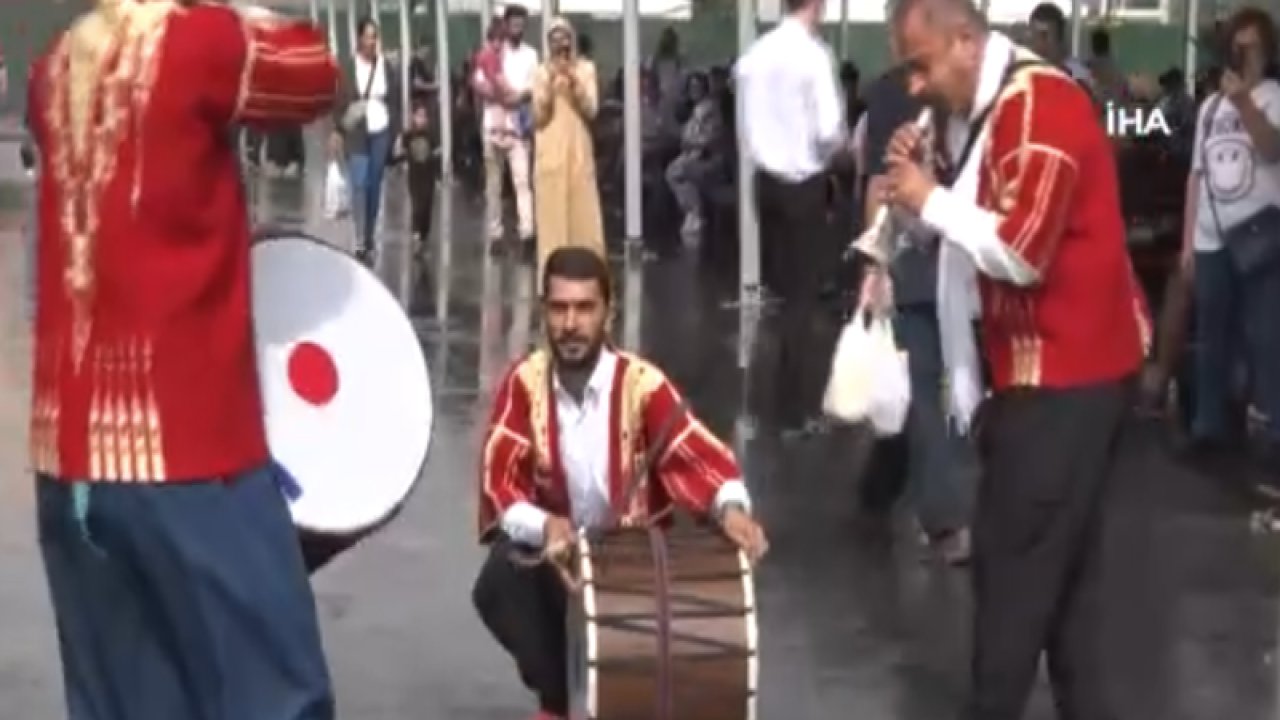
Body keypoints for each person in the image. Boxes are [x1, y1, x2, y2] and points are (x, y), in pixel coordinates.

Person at [25, 2, 339, 719]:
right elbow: (316, 72)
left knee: (124, 701)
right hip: (185, 451)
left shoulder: (55, 65)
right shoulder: (200, 43)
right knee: (276, 695)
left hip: (69, 460)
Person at [875, 0, 1148, 717]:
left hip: (1065, 380)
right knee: (1066, 592)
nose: (914, 86)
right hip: (1060, 376)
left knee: (1011, 582)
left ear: (966, 42)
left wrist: (930, 197)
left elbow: (1022, 249)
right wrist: (921, 194)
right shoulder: (995, 109)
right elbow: (975, 230)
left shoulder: (1042, 107)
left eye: (920, 64)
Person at [472, 246, 768, 720]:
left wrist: (731, 507)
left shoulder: (641, 384)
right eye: (559, 308)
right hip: (563, 559)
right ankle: (557, 701)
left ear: (608, 312)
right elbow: (500, 483)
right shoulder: (523, 384)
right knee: (499, 581)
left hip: (638, 566)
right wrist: (546, 527)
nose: (570, 324)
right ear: (544, 310)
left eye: (584, 308)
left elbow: (701, 457)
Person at [858, 61, 971, 564]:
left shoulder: (976, 85)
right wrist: (876, 268)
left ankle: (890, 490)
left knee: (928, 398)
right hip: (924, 265)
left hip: (967, 262)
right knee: (929, 394)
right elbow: (879, 187)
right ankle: (945, 519)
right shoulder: (896, 91)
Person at [736, 0, 847, 433]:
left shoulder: (754, 56)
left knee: (778, 294)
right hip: (803, 183)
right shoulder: (814, 56)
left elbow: (745, 129)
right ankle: (795, 411)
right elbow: (828, 131)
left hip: (765, 183)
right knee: (802, 300)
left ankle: (768, 402)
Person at [1182, 7, 1280, 473]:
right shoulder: (1209, 107)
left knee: (1265, 335)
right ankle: (1209, 426)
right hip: (1212, 236)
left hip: (1259, 233)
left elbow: (1271, 148)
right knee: (1211, 335)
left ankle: (1271, 429)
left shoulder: (1273, 97)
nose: (1246, 55)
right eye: (1239, 47)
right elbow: (1196, 175)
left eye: (1253, 46)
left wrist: (1245, 102)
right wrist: (1187, 242)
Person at [531, 17, 605, 285]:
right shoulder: (540, 73)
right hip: (550, 156)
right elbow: (538, 116)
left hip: (578, 154)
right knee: (552, 223)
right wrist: (551, 83)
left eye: (564, 38)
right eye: (554, 39)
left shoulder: (586, 70)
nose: (560, 44)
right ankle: (551, 281)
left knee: (584, 222)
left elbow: (592, 109)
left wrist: (573, 80)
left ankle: (590, 278)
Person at [332, 18, 401, 263]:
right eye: (368, 36)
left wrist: (396, 132)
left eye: (375, 37)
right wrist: (337, 130)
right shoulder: (347, 68)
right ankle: (360, 239)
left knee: (374, 185)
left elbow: (395, 99)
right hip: (355, 131)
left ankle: (370, 235)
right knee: (359, 183)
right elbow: (338, 100)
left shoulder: (386, 67)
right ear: (359, 39)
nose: (372, 42)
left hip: (380, 130)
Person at [479, 4, 538, 248]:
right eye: (513, 24)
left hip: (518, 128)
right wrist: (503, 96)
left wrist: (518, 97)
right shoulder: (493, 51)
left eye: (520, 25)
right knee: (493, 183)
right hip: (492, 126)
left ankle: (527, 232)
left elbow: (534, 87)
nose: (517, 28)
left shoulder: (531, 55)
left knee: (522, 181)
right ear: (505, 25)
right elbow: (480, 82)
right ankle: (495, 232)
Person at [666, 71, 723, 247]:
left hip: (709, 157)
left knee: (677, 171)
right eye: (691, 87)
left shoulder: (710, 109)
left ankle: (695, 213)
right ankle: (691, 212)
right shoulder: (694, 110)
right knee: (673, 171)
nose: (694, 90)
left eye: (697, 87)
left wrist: (692, 143)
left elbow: (712, 136)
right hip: (692, 154)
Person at [403, 102, 441, 250]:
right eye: (418, 116)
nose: (421, 119)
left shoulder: (431, 135)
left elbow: (437, 151)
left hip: (428, 176)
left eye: (424, 116)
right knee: (417, 205)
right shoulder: (408, 135)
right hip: (414, 177)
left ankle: (424, 234)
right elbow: (399, 151)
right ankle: (416, 234)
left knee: (427, 205)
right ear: (413, 117)